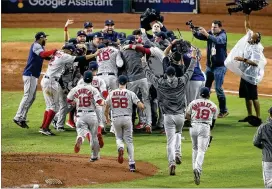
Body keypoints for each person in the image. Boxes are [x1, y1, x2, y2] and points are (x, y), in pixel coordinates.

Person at [141, 48, 199, 176]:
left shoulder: (160, 82)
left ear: (166, 74)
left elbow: (149, 74)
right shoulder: (181, 81)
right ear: (175, 74)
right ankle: (178, 153)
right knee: (178, 133)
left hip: (167, 116)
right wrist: (193, 57)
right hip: (180, 115)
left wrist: (144, 63)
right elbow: (190, 70)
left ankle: (172, 162)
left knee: (170, 141)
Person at [40, 44, 100, 136]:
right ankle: (45, 128)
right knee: (54, 107)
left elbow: (43, 55)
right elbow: (80, 59)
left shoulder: (57, 53)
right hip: (52, 82)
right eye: (71, 51)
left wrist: (53, 50)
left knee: (49, 106)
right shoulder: (64, 56)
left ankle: (43, 126)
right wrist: (94, 54)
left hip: (46, 80)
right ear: (68, 50)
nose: (72, 53)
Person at [13, 32, 57, 128]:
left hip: (33, 75)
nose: (46, 40)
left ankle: (22, 117)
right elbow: (43, 54)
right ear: (41, 38)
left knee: (31, 97)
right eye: (45, 38)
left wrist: (56, 58)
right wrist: (53, 51)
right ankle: (18, 117)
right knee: (27, 96)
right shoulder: (36, 46)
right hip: (30, 74)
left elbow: (45, 57)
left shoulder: (40, 46)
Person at [104, 75, 145, 172]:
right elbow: (141, 106)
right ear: (126, 83)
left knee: (118, 137)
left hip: (116, 119)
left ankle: (120, 147)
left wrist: (107, 118)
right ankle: (131, 164)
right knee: (129, 141)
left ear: (118, 82)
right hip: (127, 118)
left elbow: (106, 108)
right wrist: (143, 106)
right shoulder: (130, 93)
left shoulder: (112, 93)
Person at [193, 20, 229, 118]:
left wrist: (206, 34)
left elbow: (217, 41)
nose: (212, 29)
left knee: (218, 88)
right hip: (210, 66)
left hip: (220, 67)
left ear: (220, 27)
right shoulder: (210, 33)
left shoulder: (223, 35)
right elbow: (200, 36)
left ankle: (224, 110)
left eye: (215, 27)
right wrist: (194, 31)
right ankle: (205, 107)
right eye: (212, 27)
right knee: (206, 88)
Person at [67, 71, 104, 162]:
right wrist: (105, 102)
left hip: (80, 115)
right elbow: (100, 102)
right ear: (91, 79)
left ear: (83, 79)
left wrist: (74, 102)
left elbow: (68, 99)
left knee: (81, 133)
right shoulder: (94, 89)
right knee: (94, 136)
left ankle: (80, 138)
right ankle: (94, 156)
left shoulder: (76, 89)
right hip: (92, 115)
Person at [186, 87, 218, 185]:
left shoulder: (193, 102)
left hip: (193, 126)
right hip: (205, 127)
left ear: (200, 94)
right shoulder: (213, 105)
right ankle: (197, 168)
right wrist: (209, 132)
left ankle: (194, 169)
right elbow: (213, 122)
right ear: (209, 95)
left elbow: (187, 115)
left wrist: (192, 120)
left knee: (194, 148)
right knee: (201, 151)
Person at [234, 14, 263, 123]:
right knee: (247, 96)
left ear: (256, 40)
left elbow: (255, 63)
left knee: (254, 97)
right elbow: (247, 27)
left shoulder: (256, 48)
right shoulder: (249, 42)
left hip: (252, 75)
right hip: (245, 74)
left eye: (252, 36)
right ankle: (250, 115)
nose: (250, 36)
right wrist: (247, 14)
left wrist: (243, 59)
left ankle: (258, 117)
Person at [77, 61, 108, 148]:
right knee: (99, 124)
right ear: (97, 69)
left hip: (84, 105)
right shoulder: (100, 80)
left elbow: (77, 93)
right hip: (98, 105)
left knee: (85, 126)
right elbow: (104, 92)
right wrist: (106, 100)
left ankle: (90, 139)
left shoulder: (81, 81)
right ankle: (98, 133)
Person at [253, 107, 272, 188]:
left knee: (268, 184)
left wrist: (264, 147)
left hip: (268, 158)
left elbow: (256, 142)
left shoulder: (263, 127)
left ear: (270, 114)